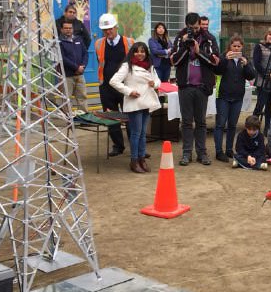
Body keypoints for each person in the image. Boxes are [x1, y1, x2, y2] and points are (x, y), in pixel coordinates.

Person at [172, 12, 220, 166]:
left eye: (197, 27)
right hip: (185, 87)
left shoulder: (209, 38)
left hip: (202, 87)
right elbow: (173, 60)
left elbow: (215, 61)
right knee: (186, 122)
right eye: (191, 28)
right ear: (186, 26)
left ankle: (202, 153)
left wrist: (199, 52)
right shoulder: (181, 37)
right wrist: (186, 47)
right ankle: (187, 153)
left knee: (201, 122)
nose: (195, 30)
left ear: (201, 24)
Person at [109, 42, 161, 173]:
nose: (140, 54)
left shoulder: (150, 66)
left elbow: (158, 81)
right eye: (137, 51)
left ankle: (142, 158)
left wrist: (154, 83)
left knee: (143, 133)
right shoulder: (127, 66)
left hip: (146, 102)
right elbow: (113, 81)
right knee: (136, 133)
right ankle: (134, 160)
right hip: (135, 102)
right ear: (132, 52)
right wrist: (129, 91)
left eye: (143, 51)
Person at [94, 13, 134, 156]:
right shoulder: (99, 43)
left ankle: (135, 146)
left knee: (130, 116)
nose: (108, 32)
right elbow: (101, 63)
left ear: (116, 27)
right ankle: (118, 146)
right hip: (106, 87)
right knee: (111, 117)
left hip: (125, 86)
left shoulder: (129, 42)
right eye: (105, 30)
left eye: (110, 28)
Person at [214, 34, 255, 163]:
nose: (236, 48)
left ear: (242, 47)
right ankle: (219, 151)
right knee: (220, 124)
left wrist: (247, 64)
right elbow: (217, 71)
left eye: (239, 46)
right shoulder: (223, 57)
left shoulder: (244, 59)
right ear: (230, 46)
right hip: (223, 97)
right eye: (234, 46)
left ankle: (229, 150)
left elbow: (251, 76)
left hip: (237, 97)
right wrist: (225, 59)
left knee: (232, 125)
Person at [58, 19, 88, 114]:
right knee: (67, 98)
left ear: (73, 29)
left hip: (80, 75)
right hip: (67, 76)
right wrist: (76, 68)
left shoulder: (78, 39)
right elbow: (62, 58)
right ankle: (69, 120)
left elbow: (85, 54)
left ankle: (84, 117)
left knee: (82, 97)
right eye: (66, 28)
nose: (68, 30)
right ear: (62, 30)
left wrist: (83, 66)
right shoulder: (59, 42)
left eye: (70, 28)